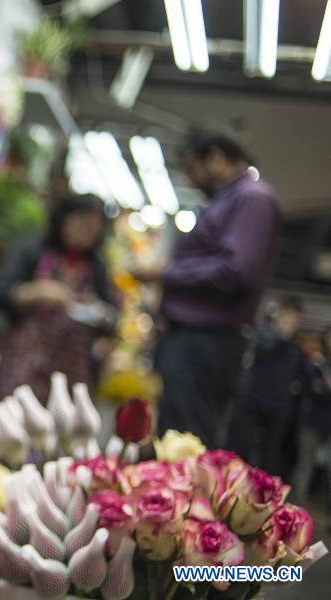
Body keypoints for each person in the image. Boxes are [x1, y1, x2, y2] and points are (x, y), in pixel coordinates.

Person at [133, 128, 281, 448]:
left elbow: (238, 271)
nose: (191, 179)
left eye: (192, 168)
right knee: (175, 437)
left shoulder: (253, 198)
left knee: (187, 441)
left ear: (215, 157)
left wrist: (168, 273)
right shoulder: (232, 200)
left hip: (205, 343)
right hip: (194, 341)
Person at [0, 193, 116, 400]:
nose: (86, 233)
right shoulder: (33, 249)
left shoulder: (97, 267)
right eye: (81, 224)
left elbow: (113, 316)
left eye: (93, 229)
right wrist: (35, 292)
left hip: (71, 368)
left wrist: (98, 313)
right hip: (25, 359)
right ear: (63, 219)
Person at [227, 296, 307, 478]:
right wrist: (279, 335)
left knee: (270, 454)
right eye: (288, 315)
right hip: (253, 401)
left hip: (279, 408)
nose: (291, 321)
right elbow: (262, 350)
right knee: (243, 447)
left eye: (296, 317)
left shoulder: (296, 349)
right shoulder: (264, 335)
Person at [291, 327, 331, 514]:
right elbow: (313, 391)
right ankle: (295, 510)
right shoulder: (316, 363)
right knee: (304, 467)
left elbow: (323, 392)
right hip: (311, 423)